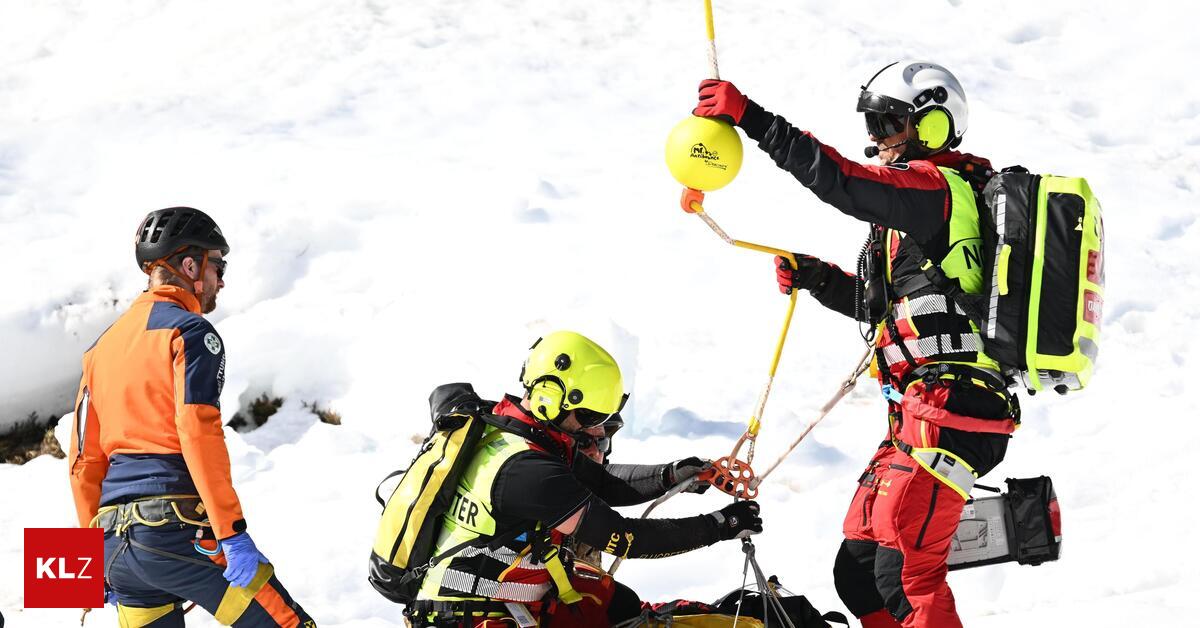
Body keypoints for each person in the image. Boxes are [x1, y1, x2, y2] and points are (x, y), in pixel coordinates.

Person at [692, 61, 1020, 628]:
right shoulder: (919, 214)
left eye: (890, 124)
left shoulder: (937, 189)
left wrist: (752, 119)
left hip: (955, 409)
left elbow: (841, 181)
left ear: (933, 127)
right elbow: (894, 316)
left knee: (906, 574)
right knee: (860, 570)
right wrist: (821, 280)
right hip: (922, 411)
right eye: (873, 124)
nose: (878, 140)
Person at [410, 331, 760, 627]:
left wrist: (671, 474)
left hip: (490, 600)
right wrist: (719, 526)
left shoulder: (506, 431)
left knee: (621, 604)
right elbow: (625, 540)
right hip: (476, 616)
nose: (594, 428)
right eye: (590, 414)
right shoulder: (525, 470)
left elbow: (602, 481)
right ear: (549, 397)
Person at [68, 207, 314, 627]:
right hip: (177, 530)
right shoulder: (190, 333)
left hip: (114, 549)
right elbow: (197, 433)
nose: (222, 278)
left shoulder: (98, 350)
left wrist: (88, 559)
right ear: (189, 265)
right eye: (218, 264)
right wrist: (231, 533)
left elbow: (82, 461)